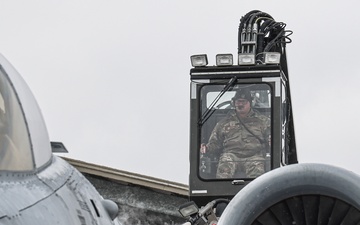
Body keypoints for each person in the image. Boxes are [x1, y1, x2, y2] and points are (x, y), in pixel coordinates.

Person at [200, 88, 270, 178]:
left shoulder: (263, 121)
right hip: (230, 155)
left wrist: (270, 142)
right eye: (238, 101)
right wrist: (206, 148)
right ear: (233, 103)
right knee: (224, 169)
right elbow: (215, 143)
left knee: (257, 179)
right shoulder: (224, 123)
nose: (240, 104)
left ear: (250, 103)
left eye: (243, 101)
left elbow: (272, 141)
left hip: (254, 156)